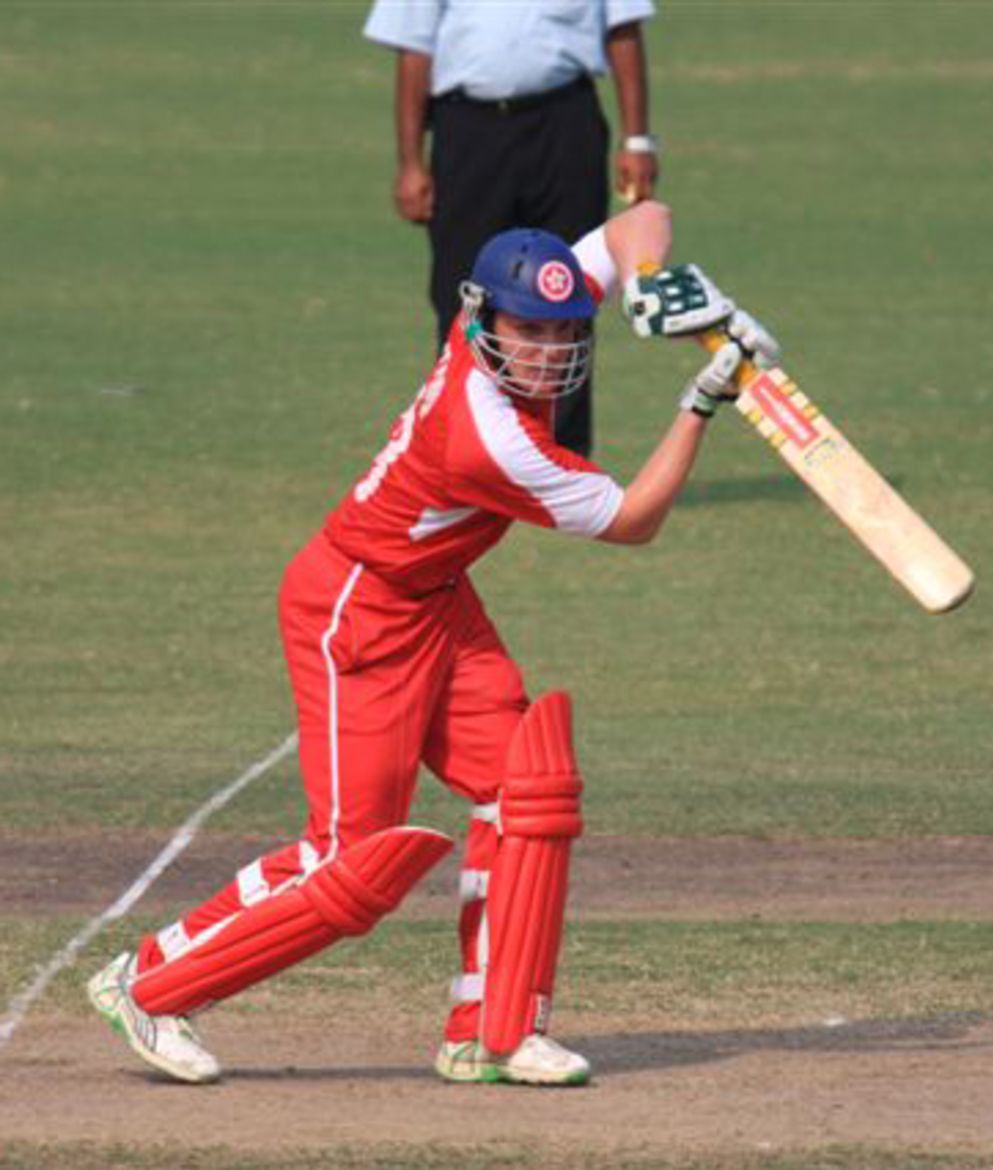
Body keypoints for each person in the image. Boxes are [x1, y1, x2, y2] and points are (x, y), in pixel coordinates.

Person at [86, 200, 780, 1088]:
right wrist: (703, 400)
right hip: (357, 610)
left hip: (437, 601)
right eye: (526, 331)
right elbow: (635, 521)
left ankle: (492, 1033)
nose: (545, 349)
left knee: (528, 787)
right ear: (481, 320)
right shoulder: (486, 436)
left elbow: (644, 215)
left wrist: (659, 287)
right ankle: (148, 985)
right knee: (353, 862)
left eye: (563, 332)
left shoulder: (506, 313)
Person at [363, 0, 659, 456]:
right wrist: (410, 162)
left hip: (565, 120)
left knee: (568, 287)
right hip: (468, 127)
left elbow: (623, 30)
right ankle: (466, 447)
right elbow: (414, 51)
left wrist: (637, 139)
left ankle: (561, 456)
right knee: (462, 292)